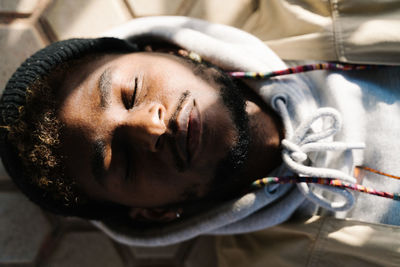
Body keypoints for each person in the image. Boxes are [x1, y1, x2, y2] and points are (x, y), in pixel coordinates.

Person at [1, 13, 400, 256]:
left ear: (164, 49)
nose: (150, 127)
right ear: (153, 213)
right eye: (121, 160)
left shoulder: (318, 9)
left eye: (132, 92)